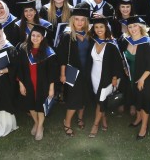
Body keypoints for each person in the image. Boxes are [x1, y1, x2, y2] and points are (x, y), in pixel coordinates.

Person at [121, 16, 150, 140]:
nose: (133, 29)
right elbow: (123, 57)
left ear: (141, 27)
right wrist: (125, 68)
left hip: (146, 77)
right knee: (136, 98)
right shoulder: (126, 40)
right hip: (132, 75)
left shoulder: (148, 44)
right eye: (130, 26)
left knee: (144, 101)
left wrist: (142, 79)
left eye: (135, 26)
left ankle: (144, 127)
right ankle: (138, 118)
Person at [17, 23, 58, 141]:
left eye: (38, 36)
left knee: (40, 106)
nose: (35, 38)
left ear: (43, 37)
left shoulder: (48, 52)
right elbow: (19, 68)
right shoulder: (24, 49)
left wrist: (51, 88)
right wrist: (21, 84)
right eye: (33, 35)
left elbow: (52, 72)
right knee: (31, 105)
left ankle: (40, 126)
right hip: (28, 82)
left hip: (43, 84)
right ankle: (36, 122)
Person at [57, 8, 92, 136]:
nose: (79, 22)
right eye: (77, 19)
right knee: (73, 98)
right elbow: (62, 57)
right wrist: (62, 74)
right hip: (71, 71)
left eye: (83, 20)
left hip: (87, 71)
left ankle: (80, 118)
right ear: (72, 20)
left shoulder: (89, 35)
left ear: (86, 21)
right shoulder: (67, 35)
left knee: (84, 95)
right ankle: (67, 122)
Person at [87, 17, 124, 137]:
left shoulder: (112, 44)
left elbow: (117, 63)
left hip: (107, 77)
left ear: (106, 28)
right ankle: (103, 120)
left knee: (101, 101)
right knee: (98, 99)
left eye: (101, 27)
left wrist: (114, 77)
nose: (99, 29)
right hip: (94, 75)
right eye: (96, 27)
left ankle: (95, 125)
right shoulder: (92, 41)